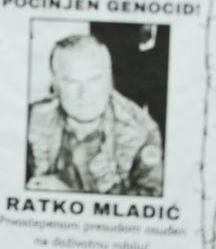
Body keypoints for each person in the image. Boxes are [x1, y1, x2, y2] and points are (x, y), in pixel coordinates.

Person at [26, 35, 162, 196]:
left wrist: (69, 196)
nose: (84, 94)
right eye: (71, 82)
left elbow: (151, 200)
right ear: (54, 84)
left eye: (95, 80)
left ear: (110, 79)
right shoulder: (30, 120)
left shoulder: (141, 131)